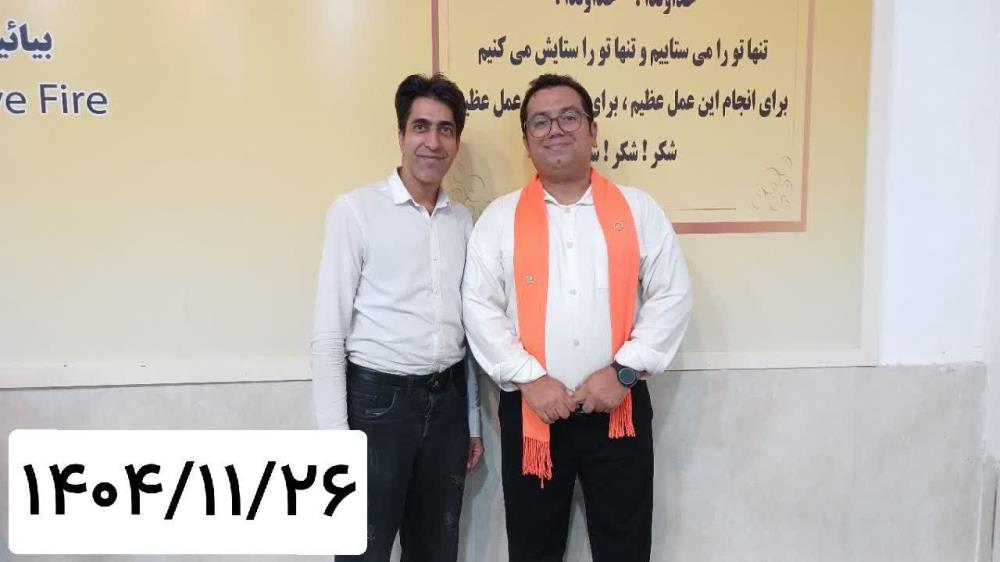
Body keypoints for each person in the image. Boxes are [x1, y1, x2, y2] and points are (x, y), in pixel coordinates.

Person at [462, 73, 692, 562]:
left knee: (625, 548)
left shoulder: (638, 210)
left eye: (569, 117)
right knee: (533, 549)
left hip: (619, 410)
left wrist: (624, 372)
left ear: (592, 130)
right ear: (526, 141)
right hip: (533, 413)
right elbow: (479, 307)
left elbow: (670, 296)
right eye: (540, 122)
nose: (556, 129)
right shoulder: (500, 219)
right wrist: (529, 378)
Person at [311, 73, 483, 562]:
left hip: (447, 405)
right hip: (376, 407)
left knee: (436, 550)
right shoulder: (355, 211)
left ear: (456, 141)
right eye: (420, 127)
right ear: (401, 135)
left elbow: (467, 330)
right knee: (363, 551)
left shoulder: (462, 221)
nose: (433, 142)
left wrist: (471, 420)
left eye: (446, 129)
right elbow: (328, 334)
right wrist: (334, 443)